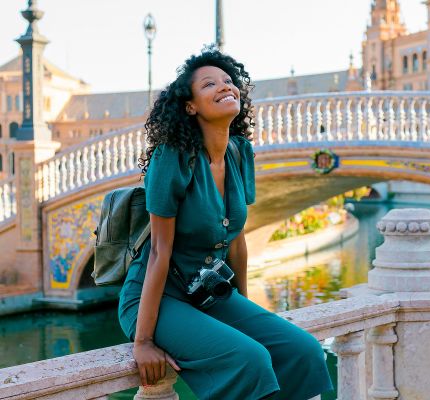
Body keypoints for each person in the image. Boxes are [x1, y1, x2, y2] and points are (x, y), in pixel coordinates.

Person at [117, 46, 334, 400]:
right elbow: (159, 251)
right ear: (190, 106)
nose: (224, 86)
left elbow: (237, 240)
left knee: (304, 351)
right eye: (208, 84)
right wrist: (143, 341)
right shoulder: (172, 156)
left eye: (228, 81)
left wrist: (244, 308)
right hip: (157, 298)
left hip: (208, 292)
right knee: (250, 360)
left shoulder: (239, 152)